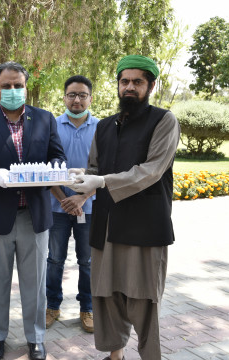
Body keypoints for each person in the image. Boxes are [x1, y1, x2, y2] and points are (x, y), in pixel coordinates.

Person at [69, 55, 180, 360]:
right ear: (118, 85)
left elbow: (152, 170)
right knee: (106, 297)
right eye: (124, 81)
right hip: (106, 225)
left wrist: (101, 181)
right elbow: (94, 169)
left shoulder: (164, 120)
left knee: (143, 300)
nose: (130, 87)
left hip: (145, 226)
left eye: (137, 82)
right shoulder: (104, 126)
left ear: (151, 85)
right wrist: (81, 179)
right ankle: (114, 356)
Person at [0, 61, 66, 360]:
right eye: (6, 86)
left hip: (34, 217)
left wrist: (56, 168)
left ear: (26, 86)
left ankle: (36, 338)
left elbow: (57, 155)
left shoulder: (44, 119)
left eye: (17, 85)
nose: (12, 90)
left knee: (35, 283)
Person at [46, 75, 99, 333]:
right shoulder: (51, 126)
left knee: (88, 262)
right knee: (55, 259)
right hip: (56, 208)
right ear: (64, 97)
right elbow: (44, 169)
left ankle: (87, 309)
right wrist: (64, 199)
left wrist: (82, 197)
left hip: (89, 209)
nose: (76, 99)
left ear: (90, 98)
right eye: (71, 95)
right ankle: (52, 306)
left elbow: (106, 170)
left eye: (82, 95)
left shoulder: (102, 128)